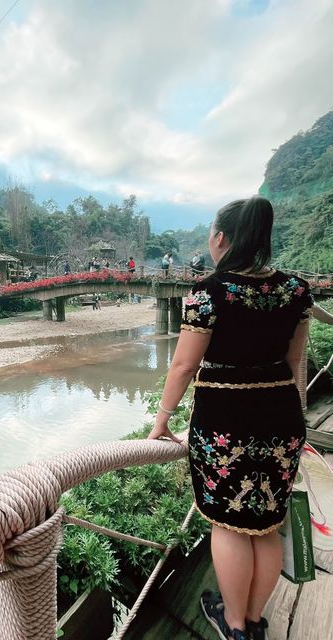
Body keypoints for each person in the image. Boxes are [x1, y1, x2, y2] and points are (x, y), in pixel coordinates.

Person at [148, 196, 312, 640]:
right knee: (266, 523)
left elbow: (183, 366)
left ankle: (234, 624)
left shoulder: (208, 291)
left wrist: (162, 421)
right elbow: (294, 362)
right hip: (281, 418)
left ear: (220, 239)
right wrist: (292, 420)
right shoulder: (296, 290)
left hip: (225, 423)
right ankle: (254, 621)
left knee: (230, 523)